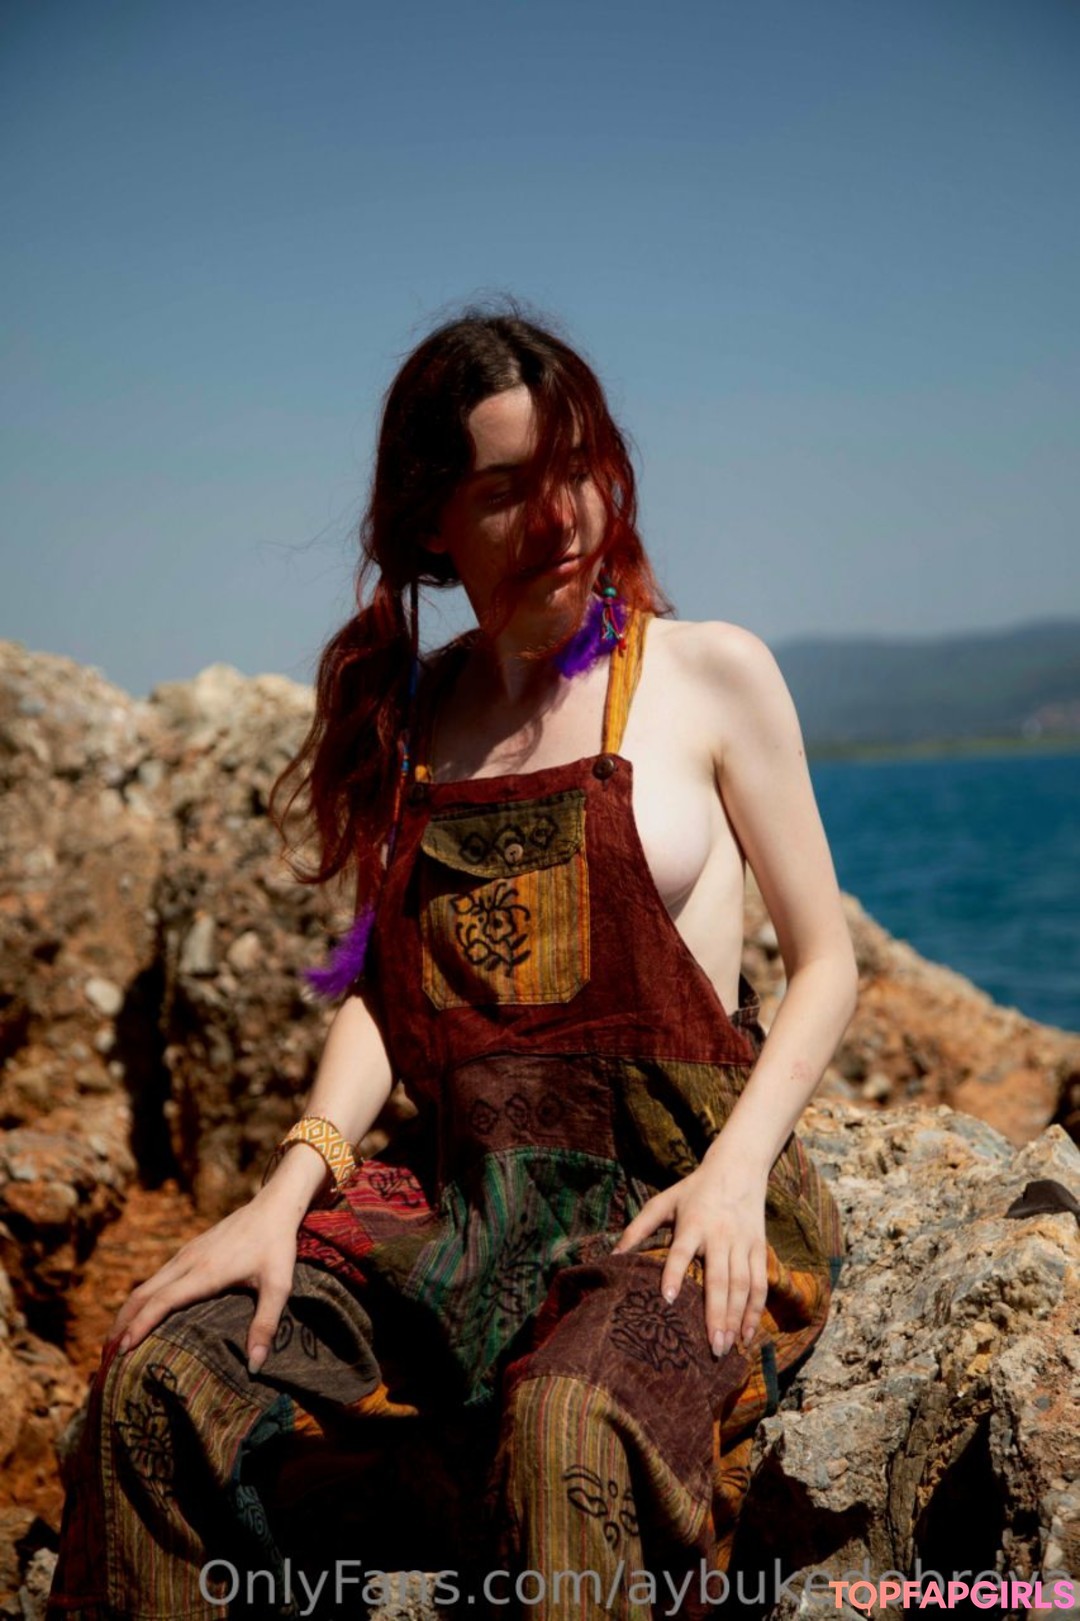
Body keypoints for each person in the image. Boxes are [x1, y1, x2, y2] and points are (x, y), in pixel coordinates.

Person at [46, 305, 857, 1621]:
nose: (562, 516)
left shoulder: (712, 674)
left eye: (578, 468)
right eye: (506, 488)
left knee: (563, 1427)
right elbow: (386, 991)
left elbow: (826, 965)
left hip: (669, 1198)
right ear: (433, 523)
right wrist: (284, 1193)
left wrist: (736, 1172)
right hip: (468, 1217)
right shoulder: (419, 712)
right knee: (162, 1381)